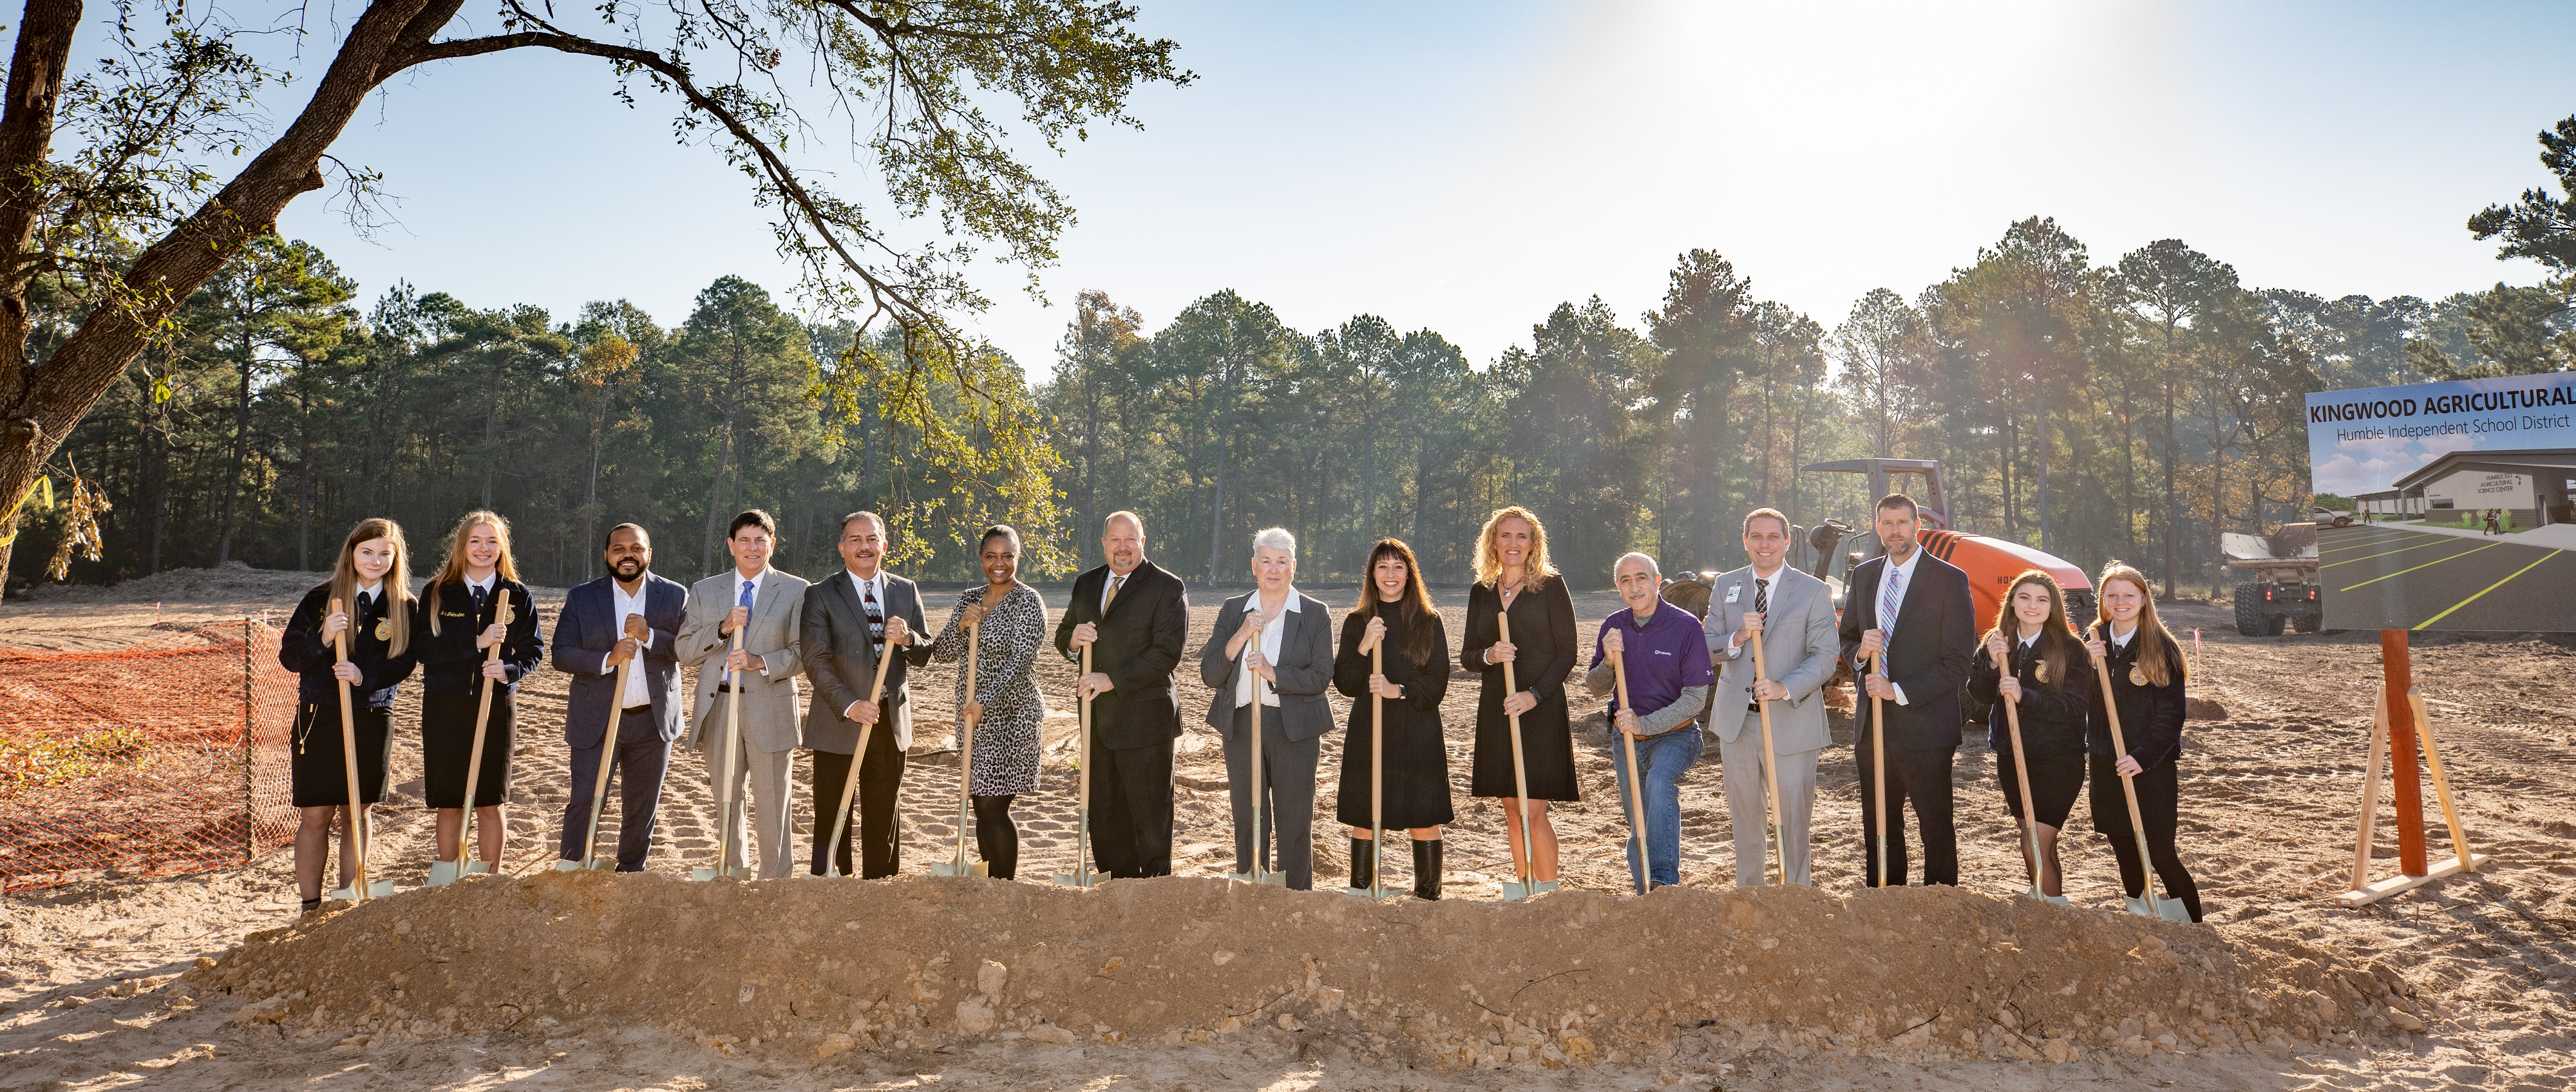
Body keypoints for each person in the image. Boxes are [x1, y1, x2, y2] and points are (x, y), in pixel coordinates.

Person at [279, 518, 418, 912]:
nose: (375, 561)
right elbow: (290, 656)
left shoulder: (404, 606)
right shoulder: (321, 599)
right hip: (319, 716)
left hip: (372, 715)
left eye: (384, 554)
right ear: (352, 553)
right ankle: (311, 904)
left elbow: (407, 661)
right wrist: (323, 637)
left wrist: (364, 676)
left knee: (356, 811)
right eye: (367, 552)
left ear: (395, 557)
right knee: (317, 812)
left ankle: (348, 900)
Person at [1837, 493, 1976, 887]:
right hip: (1873, 727)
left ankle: (1940, 901)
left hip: (1927, 725)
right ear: (1877, 527)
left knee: (1934, 822)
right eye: (1886, 522)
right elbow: (1847, 640)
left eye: (1902, 522)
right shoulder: (1864, 577)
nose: (1895, 530)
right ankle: (1885, 896)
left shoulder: (1949, 580)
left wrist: (1897, 689)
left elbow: (1958, 662)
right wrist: (1861, 652)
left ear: (1917, 525)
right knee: (1880, 819)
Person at [1703, 507, 1841, 886]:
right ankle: (1751, 894)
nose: (1765, 545)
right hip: (1737, 722)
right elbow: (1705, 644)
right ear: (1745, 540)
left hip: (1791, 720)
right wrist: (1737, 639)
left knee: (1793, 817)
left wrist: (1785, 687)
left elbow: (1826, 656)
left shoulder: (1814, 591)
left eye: (1773, 537)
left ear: (1787, 542)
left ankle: (1795, 894)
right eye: (1757, 537)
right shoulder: (1726, 586)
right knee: (1746, 816)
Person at [1053, 511, 1189, 878]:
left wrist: (1111, 679)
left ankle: (1153, 891)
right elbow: (1064, 633)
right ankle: (1115, 886)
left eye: (1131, 539)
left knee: (1149, 814)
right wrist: (1072, 641)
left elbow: (1166, 653)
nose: (1123, 548)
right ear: (1104, 544)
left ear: (1142, 542)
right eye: (1116, 540)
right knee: (1105, 810)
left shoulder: (1167, 586)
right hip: (1097, 718)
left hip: (1145, 719)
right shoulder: (1086, 583)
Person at [1197, 527, 1334, 890]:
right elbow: (1211, 673)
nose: (1274, 570)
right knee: (1249, 817)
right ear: (1254, 566)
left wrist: (1273, 673)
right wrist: (1241, 633)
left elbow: (1321, 677)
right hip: (1242, 726)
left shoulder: (1314, 613)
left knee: (1293, 819)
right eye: (1267, 562)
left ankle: (1295, 897)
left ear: (1294, 567)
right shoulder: (1233, 609)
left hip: (1294, 729)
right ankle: (1251, 887)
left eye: (1282, 562)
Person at [677, 509, 810, 880]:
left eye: (760, 540)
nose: (753, 548)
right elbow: (685, 652)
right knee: (727, 799)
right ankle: (733, 871)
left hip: (770, 703)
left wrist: (759, 661)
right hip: (719, 704)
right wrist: (721, 629)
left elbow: (804, 653)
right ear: (732, 545)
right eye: (745, 541)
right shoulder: (706, 590)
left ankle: (776, 878)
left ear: (772, 544)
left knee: (772, 802)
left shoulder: (797, 589)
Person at [547, 523, 688, 871]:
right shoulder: (583, 596)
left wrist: (650, 635)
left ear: (649, 553)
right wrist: (607, 659)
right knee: (584, 801)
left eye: (636, 548)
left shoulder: (674, 595)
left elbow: (689, 649)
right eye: (619, 549)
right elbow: (561, 653)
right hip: (597, 718)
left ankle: (630, 873)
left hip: (652, 720)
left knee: (642, 807)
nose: (628, 555)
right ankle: (572, 870)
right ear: (607, 554)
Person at [797, 511, 928, 878]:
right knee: (832, 811)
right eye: (855, 540)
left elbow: (924, 653)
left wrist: (908, 639)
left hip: (889, 721)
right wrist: (851, 706)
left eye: (872, 539)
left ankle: (880, 886)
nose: (864, 546)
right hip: (839, 720)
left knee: (883, 810)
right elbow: (815, 660)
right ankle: (832, 885)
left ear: (884, 545)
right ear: (842, 548)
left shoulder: (905, 590)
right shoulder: (821, 594)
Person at [413, 510, 544, 874]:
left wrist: (509, 669)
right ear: (462, 545)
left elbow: (534, 651)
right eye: (475, 540)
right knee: (451, 802)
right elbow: (423, 649)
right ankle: (449, 876)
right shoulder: (438, 592)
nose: (483, 549)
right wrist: (476, 642)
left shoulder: (516, 595)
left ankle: (488, 883)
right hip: (445, 706)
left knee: (490, 802)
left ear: (502, 548)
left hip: (496, 706)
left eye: (492, 541)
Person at [1460, 505, 1578, 889]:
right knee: (1510, 808)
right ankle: (1524, 888)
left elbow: (1568, 652)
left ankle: (1546, 892)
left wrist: (1534, 694)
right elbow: (1467, 656)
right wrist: (1489, 655)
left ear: (1533, 543)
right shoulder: (1481, 592)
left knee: (1531, 809)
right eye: (1505, 535)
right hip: (1498, 707)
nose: (1513, 543)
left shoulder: (1550, 586)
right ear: (1493, 541)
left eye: (1521, 536)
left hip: (1539, 707)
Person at [1586, 551, 1714, 893]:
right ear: (1618, 587)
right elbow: (1596, 687)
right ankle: (1644, 889)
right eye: (1626, 580)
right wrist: (1610, 661)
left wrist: (1644, 724)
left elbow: (1695, 701)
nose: (1635, 587)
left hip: (1677, 735)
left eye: (1641, 577)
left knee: (1659, 782)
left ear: (1657, 581)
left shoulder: (1686, 626)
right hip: (1624, 738)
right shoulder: (1613, 626)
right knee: (1638, 818)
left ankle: (1663, 882)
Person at [2084, 562, 2206, 922]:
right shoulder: (2094, 642)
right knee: (2123, 847)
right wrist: (2091, 667)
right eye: (2113, 595)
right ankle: (2144, 919)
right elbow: (2084, 701)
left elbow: (2171, 715)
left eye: (2129, 595)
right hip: (2108, 764)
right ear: (2104, 600)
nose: (2120, 602)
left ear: (2142, 599)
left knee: (2160, 853)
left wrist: (2144, 756)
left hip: (2151, 768)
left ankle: (2195, 927)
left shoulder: (2160, 647)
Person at [925, 524, 1048, 880]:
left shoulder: (1029, 601)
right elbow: (944, 653)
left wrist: (984, 701)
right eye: (992, 556)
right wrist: (962, 625)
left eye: (1008, 556)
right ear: (981, 559)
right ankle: (989, 883)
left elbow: (1019, 661)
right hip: (972, 717)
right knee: (981, 803)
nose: (1000, 564)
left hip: (1013, 715)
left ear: (1018, 558)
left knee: (993, 804)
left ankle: (1003, 886)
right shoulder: (969, 598)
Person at [1334, 537, 1454, 898]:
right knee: (1367, 815)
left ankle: (1428, 895)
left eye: (1398, 567)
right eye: (1382, 567)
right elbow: (1345, 682)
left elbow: (1438, 683)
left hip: (1418, 729)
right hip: (1370, 730)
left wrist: (1397, 690)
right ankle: (1362, 893)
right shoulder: (1357, 622)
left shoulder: (1429, 622)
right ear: (1372, 573)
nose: (1390, 574)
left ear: (1409, 573)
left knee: (1423, 814)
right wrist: (1365, 644)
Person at [1966, 570, 2093, 899]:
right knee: (2032, 840)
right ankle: (2047, 901)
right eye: (2024, 598)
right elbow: (1978, 695)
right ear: (2012, 603)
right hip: (2012, 757)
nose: (2032, 606)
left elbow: (2075, 707)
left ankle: (2049, 907)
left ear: (2053, 607)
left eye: (2042, 600)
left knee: (2035, 841)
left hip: (2057, 761)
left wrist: (2026, 696)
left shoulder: (2070, 649)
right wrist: (1992, 664)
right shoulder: (1998, 642)